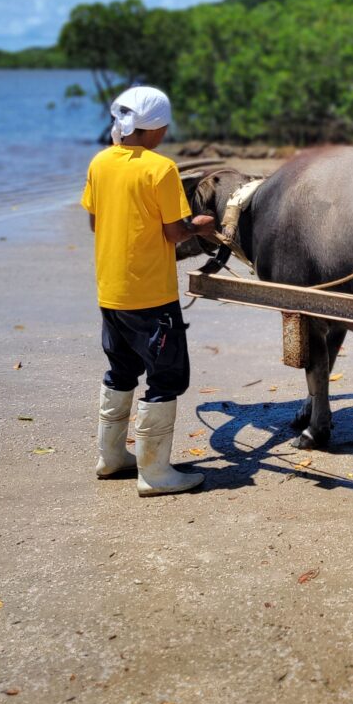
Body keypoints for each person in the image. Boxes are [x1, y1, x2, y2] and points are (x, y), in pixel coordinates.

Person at [81, 85, 215, 496]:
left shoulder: (100, 162)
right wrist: (201, 225)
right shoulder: (160, 169)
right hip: (151, 297)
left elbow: (94, 223)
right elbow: (175, 233)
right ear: (156, 129)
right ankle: (155, 473)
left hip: (111, 292)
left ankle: (111, 456)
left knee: (120, 370)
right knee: (167, 376)